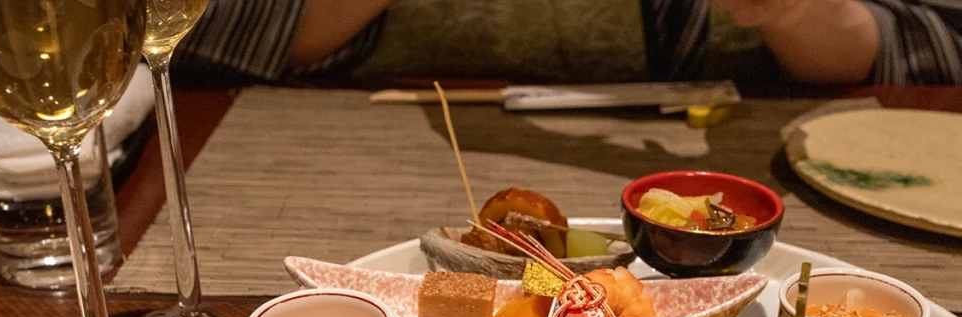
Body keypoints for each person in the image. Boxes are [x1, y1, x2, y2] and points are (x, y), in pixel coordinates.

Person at [172, 0, 962, 85]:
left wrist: (794, 13)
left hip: (718, 177)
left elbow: (929, 41)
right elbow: (193, 30)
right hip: (338, 172)